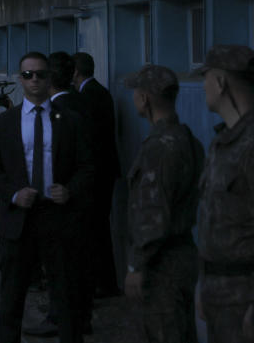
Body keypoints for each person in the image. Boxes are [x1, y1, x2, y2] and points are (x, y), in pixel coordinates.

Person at [0, 51, 94, 343]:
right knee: (11, 298)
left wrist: (70, 189)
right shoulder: (4, 123)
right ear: (20, 79)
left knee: (66, 297)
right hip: (19, 219)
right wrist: (13, 194)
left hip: (58, 218)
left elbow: (88, 166)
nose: (34, 80)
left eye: (40, 74)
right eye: (27, 74)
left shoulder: (69, 120)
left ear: (49, 78)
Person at [122, 64, 203, 343]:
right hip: (182, 254)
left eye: (136, 92)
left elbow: (153, 214)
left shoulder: (160, 146)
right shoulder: (188, 139)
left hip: (161, 264)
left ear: (144, 98)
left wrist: (137, 266)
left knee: (162, 332)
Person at [25, 52, 95, 337]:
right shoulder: (84, 99)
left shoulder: (58, 112)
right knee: (79, 267)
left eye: (38, 75)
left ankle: (59, 318)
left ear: (49, 79)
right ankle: (80, 317)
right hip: (85, 197)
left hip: (60, 201)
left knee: (59, 268)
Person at [195, 45, 254, 343]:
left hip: (245, 297)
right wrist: (205, 286)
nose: (202, 85)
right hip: (219, 291)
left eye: (205, 77)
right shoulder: (223, 141)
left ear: (221, 82)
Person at [72, 51, 121, 298]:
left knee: (95, 229)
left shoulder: (87, 97)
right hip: (106, 170)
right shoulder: (100, 92)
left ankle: (101, 283)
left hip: (97, 173)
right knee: (100, 228)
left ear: (76, 72)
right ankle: (105, 281)